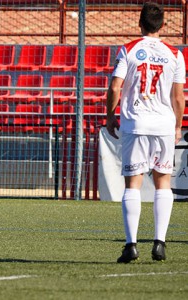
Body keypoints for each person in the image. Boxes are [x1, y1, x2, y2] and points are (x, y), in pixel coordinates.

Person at [106, 2, 185, 263]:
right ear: (163, 25)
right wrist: (177, 126)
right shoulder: (175, 54)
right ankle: (160, 243)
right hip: (163, 125)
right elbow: (178, 96)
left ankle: (131, 245)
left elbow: (116, 87)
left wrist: (109, 116)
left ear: (139, 23)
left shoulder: (128, 49)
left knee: (133, 184)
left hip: (135, 124)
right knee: (163, 182)